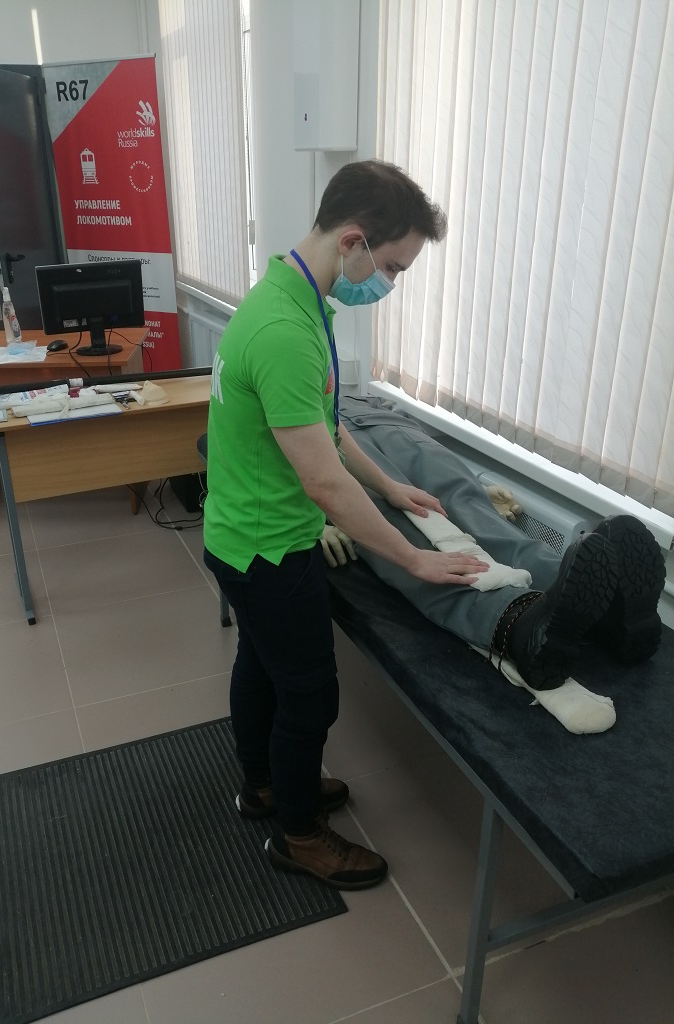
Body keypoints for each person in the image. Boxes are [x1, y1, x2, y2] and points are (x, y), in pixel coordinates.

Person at [203, 160, 491, 892]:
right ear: (355, 240)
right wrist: (414, 560)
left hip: (242, 535)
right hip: (268, 549)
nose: (388, 282)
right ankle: (299, 836)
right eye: (391, 266)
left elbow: (324, 428)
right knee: (309, 696)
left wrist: (390, 486)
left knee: (260, 668)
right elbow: (323, 482)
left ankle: (264, 787)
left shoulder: (296, 298)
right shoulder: (284, 330)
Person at [333, 395, 666, 688]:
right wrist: (315, 522)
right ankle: (525, 619)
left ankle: (587, 611)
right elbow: (315, 474)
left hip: (370, 417)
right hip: (339, 439)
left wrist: (478, 489)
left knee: (462, 507)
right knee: (415, 528)